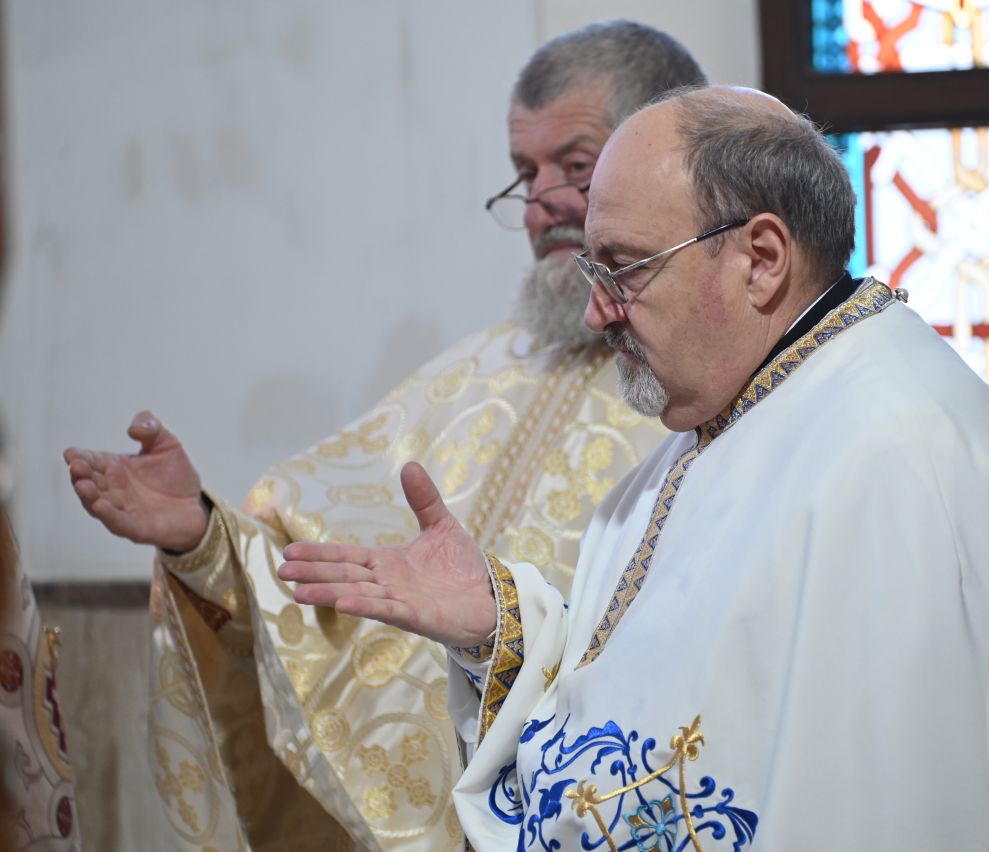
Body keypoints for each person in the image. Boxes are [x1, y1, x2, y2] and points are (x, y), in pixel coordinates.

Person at [282, 86, 989, 849]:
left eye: (624, 268)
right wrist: (502, 627)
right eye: (593, 271)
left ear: (761, 259)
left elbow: (897, 807)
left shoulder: (900, 457)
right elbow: (661, 703)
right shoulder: (738, 413)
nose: (596, 311)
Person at [62, 21, 705, 850]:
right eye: (524, 173)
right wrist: (201, 536)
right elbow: (320, 575)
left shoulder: (710, 390)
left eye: (574, 167)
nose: (540, 202)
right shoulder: (469, 376)